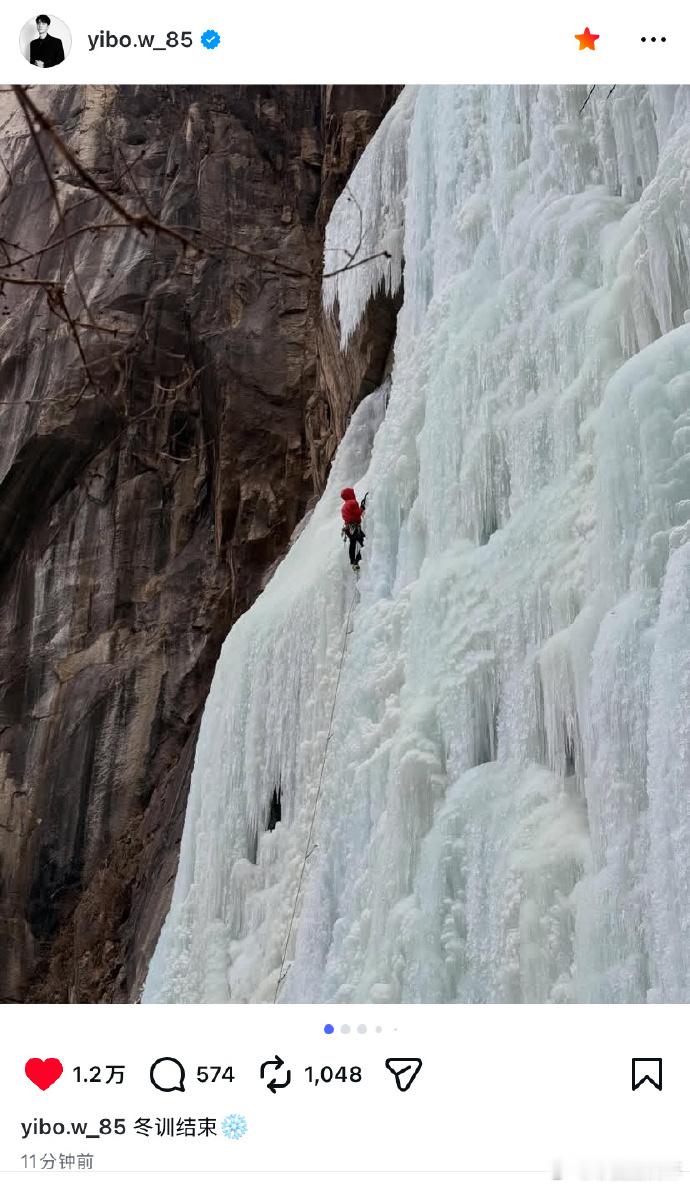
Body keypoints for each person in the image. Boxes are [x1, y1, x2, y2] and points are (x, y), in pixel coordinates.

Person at [340, 487, 367, 573]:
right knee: (365, 543)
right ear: (350, 494)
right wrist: (362, 507)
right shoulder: (352, 502)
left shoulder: (344, 506)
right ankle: (357, 561)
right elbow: (357, 513)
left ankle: (352, 561)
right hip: (355, 528)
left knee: (353, 543)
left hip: (348, 529)